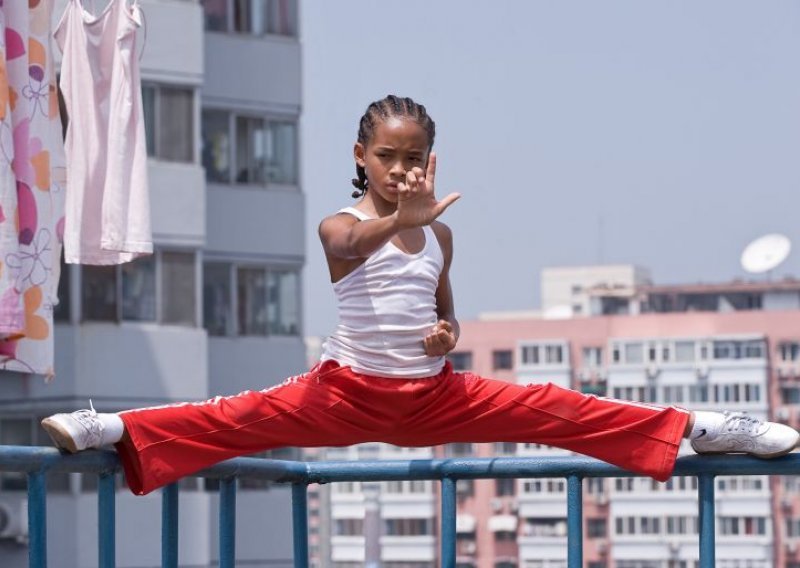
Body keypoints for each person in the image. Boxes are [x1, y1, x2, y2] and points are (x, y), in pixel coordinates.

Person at [41, 95, 799, 496]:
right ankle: (106, 426)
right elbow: (345, 251)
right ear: (361, 157)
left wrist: (446, 335)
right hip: (343, 393)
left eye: (413, 159)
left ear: (429, 160)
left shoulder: (439, 236)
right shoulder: (344, 223)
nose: (401, 170)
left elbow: (443, 314)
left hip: (434, 398)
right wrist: (396, 220)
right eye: (387, 158)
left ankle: (703, 427)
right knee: (231, 418)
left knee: (557, 407)